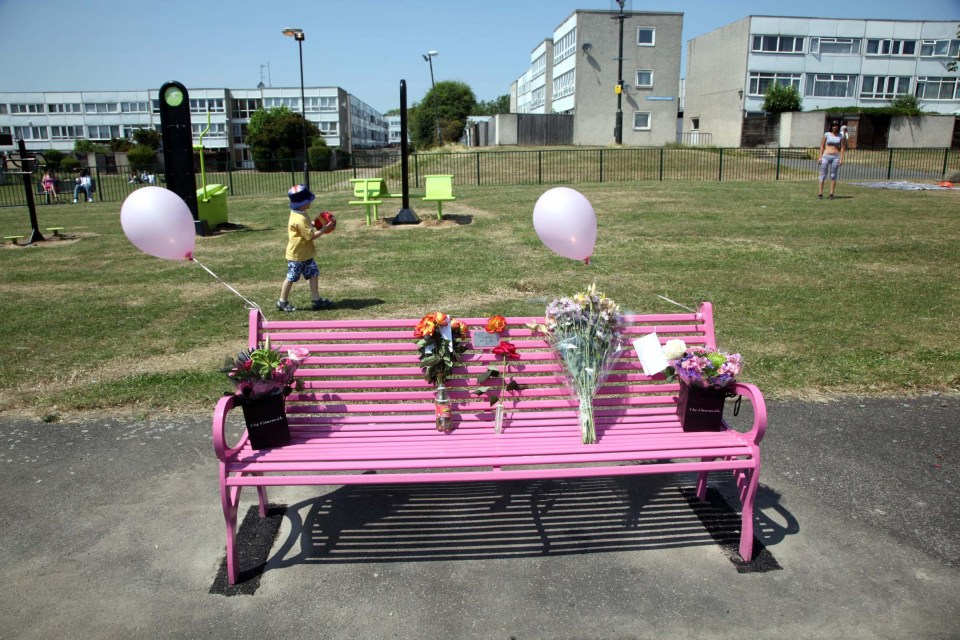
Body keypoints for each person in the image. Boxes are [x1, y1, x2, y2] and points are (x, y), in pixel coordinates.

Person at [276, 184, 335, 312]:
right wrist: (324, 229)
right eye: (309, 201)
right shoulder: (300, 218)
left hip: (306, 254)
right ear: (303, 203)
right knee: (291, 278)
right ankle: (282, 302)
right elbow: (310, 236)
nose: (310, 203)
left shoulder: (300, 213)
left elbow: (307, 227)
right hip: (297, 256)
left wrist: (316, 223)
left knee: (314, 273)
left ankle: (316, 300)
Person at [818, 120, 845, 200]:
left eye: (836, 125)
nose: (835, 127)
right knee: (823, 175)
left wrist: (841, 158)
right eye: (833, 125)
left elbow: (843, 147)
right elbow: (822, 146)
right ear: (831, 126)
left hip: (835, 156)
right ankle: (820, 193)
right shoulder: (827, 134)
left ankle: (831, 193)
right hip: (826, 155)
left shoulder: (841, 136)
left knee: (833, 175)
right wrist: (820, 157)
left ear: (838, 127)